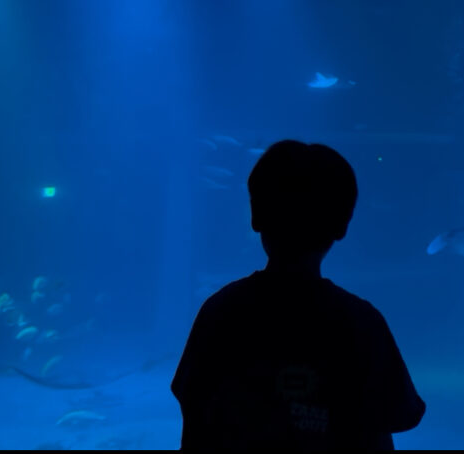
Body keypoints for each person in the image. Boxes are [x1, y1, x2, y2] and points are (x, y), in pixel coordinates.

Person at [172, 139, 425, 450]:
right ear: (342, 227)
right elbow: (396, 418)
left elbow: (194, 414)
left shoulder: (220, 312)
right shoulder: (362, 323)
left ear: (255, 216)